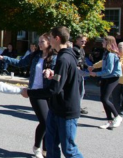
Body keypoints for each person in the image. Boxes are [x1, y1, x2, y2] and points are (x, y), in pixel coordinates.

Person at [25, 26, 84, 158]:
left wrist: (29, 93)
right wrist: (53, 75)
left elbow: (54, 89)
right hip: (55, 109)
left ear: (57, 38)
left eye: (50, 37)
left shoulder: (64, 58)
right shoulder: (63, 56)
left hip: (66, 111)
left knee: (69, 150)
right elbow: (62, 80)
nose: (49, 40)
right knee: (51, 146)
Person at [0, 34, 56, 158]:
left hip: (48, 92)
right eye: (38, 41)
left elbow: (58, 74)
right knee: (44, 121)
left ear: (49, 42)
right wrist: (3, 58)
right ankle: (37, 147)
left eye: (42, 41)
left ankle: (46, 149)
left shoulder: (54, 57)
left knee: (50, 122)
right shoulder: (35, 55)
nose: (39, 43)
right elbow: (20, 63)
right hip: (35, 92)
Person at [89, 36, 123, 129]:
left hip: (112, 78)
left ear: (108, 43)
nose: (102, 43)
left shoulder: (111, 54)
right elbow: (103, 65)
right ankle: (109, 121)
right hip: (105, 77)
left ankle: (117, 116)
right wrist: (94, 67)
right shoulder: (106, 53)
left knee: (105, 99)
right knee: (103, 99)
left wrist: (96, 74)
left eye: (103, 41)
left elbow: (109, 70)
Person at [72, 35, 89, 115]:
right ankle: (76, 107)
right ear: (77, 40)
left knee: (81, 90)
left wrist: (88, 67)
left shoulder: (81, 49)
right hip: (76, 72)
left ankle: (77, 105)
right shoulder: (74, 49)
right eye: (82, 41)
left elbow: (83, 60)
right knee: (79, 90)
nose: (84, 42)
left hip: (81, 71)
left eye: (85, 41)